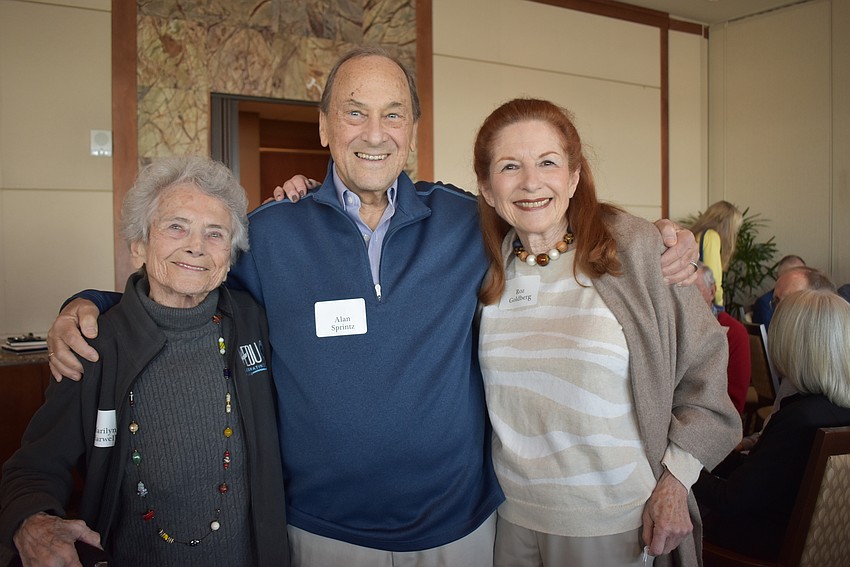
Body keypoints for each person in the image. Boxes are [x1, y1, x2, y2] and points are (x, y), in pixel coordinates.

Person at [44, 48, 700, 566]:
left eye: (393, 115)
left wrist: (662, 241)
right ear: (325, 125)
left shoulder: (466, 220)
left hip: (460, 527)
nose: (374, 133)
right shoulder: (272, 232)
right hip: (322, 529)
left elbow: (549, 212)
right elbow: (186, 282)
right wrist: (94, 305)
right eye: (355, 113)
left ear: (412, 131)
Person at [473, 98, 741, 566]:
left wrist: (677, 482)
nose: (531, 182)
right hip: (509, 522)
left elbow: (707, 364)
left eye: (548, 162)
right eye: (510, 166)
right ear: (487, 187)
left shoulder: (635, 250)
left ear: (574, 177)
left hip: (615, 524)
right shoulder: (482, 260)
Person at [0, 157, 288, 566]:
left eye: (215, 233)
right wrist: (32, 521)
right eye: (176, 226)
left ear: (229, 258)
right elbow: (32, 468)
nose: (196, 245)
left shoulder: (256, 321)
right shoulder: (94, 345)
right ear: (138, 244)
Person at [694, 289, 850, 561]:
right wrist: (707, 455)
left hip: (755, 550)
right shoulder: (832, 412)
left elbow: (729, 500)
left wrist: (678, 466)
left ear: (791, 344)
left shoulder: (797, 419)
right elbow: (764, 475)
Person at [694, 263, 751, 415]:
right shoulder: (672, 329)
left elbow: (734, 403)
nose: (685, 299)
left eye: (694, 290)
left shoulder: (734, 333)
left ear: (712, 291)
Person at [689, 200, 743, 307]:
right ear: (725, 224)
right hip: (708, 303)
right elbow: (712, 278)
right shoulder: (711, 237)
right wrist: (719, 303)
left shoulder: (697, 235)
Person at [751, 254, 805, 327]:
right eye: (788, 278)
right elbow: (770, 336)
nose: (794, 282)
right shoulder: (765, 304)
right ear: (778, 277)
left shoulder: (810, 302)